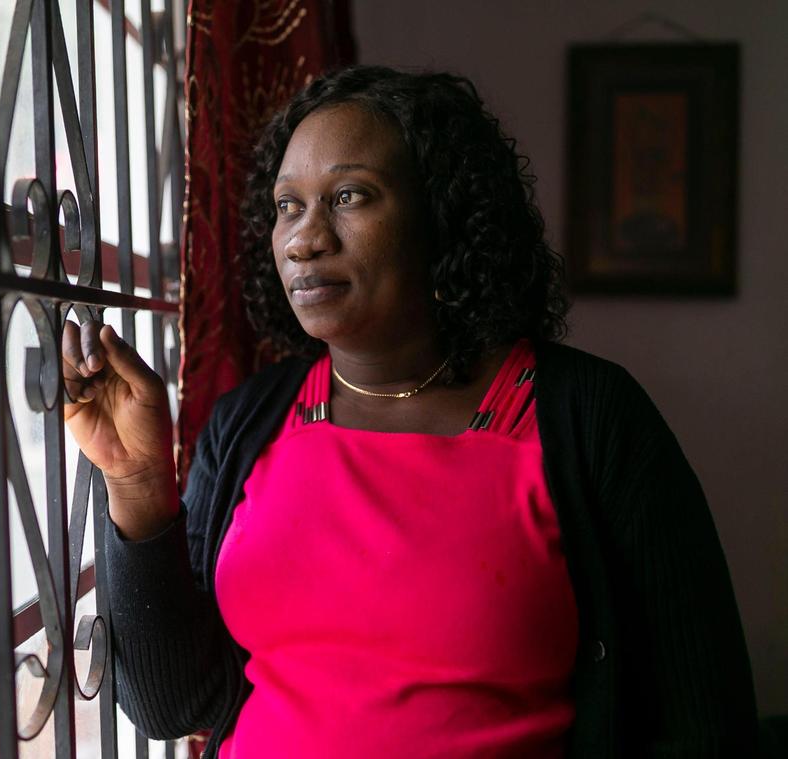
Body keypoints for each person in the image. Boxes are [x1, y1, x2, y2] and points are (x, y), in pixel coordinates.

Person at [61, 65, 757, 758]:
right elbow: (170, 703)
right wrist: (139, 483)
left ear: (440, 216)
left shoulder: (590, 419)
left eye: (349, 196)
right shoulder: (251, 421)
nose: (305, 238)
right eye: (287, 206)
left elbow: (705, 719)